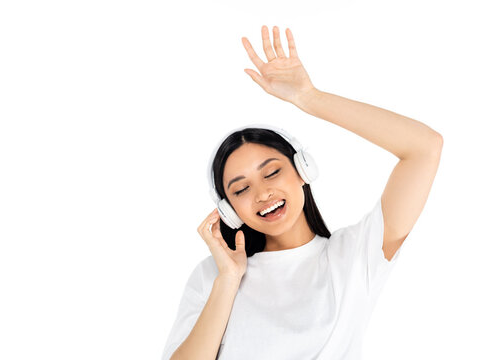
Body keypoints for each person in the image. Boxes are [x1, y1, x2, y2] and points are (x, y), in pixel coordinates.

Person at [162, 25, 443, 360]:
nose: (263, 193)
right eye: (241, 189)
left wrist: (308, 97)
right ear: (229, 210)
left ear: (303, 170)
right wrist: (229, 279)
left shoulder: (354, 257)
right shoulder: (212, 276)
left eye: (272, 172)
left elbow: (425, 147)